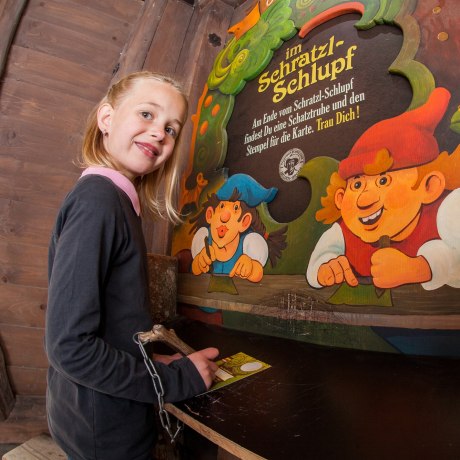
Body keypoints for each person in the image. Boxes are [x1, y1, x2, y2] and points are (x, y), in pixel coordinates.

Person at [45, 71, 219, 460]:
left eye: (171, 129)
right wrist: (174, 379)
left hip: (94, 416)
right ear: (106, 119)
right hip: (104, 431)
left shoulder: (114, 200)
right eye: (146, 114)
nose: (159, 133)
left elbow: (107, 326)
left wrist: (151, 360)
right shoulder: (98, 202)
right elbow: (69, 347)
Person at [307, 87, 460, 292]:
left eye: (383, 181)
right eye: (357, 184)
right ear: (341, 198)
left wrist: (421, 268)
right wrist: (325, 266)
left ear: (429, 186)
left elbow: (454, 257)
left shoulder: (446, 216)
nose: (364, 200)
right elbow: (319, 261)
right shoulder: (344, 232)